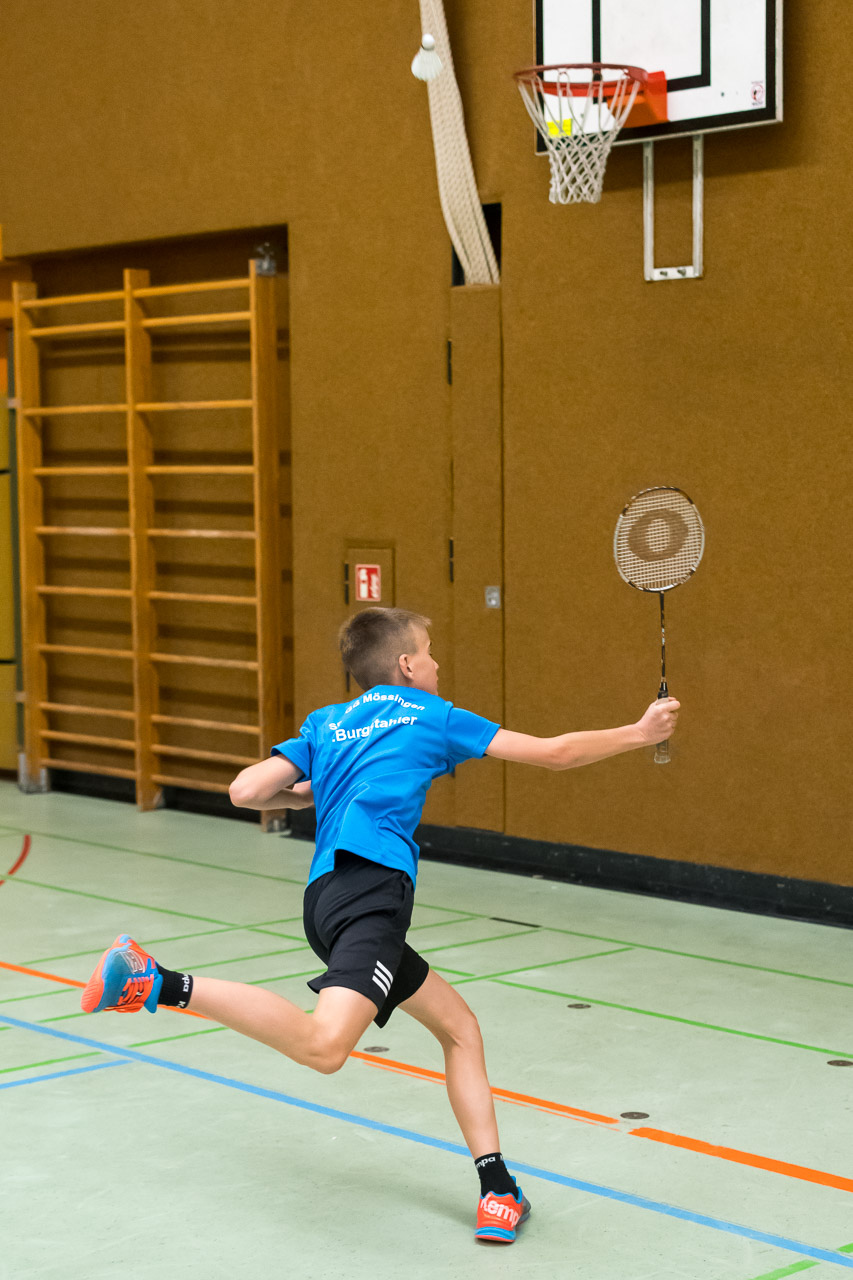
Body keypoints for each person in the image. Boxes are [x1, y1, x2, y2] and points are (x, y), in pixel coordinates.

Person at [81, 606, 679, 1245]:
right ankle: (154, 981)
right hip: (372, 895)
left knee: (459, 1029)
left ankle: (498, 1189)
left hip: (325, 900)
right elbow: (554, 753)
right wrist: (639, 733)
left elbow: (246, 792)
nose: (438, 662)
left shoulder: (326, 722)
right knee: (325, 1048)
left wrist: (311, 791)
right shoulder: (431, 714)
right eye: (431, 650)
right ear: (406, 664)